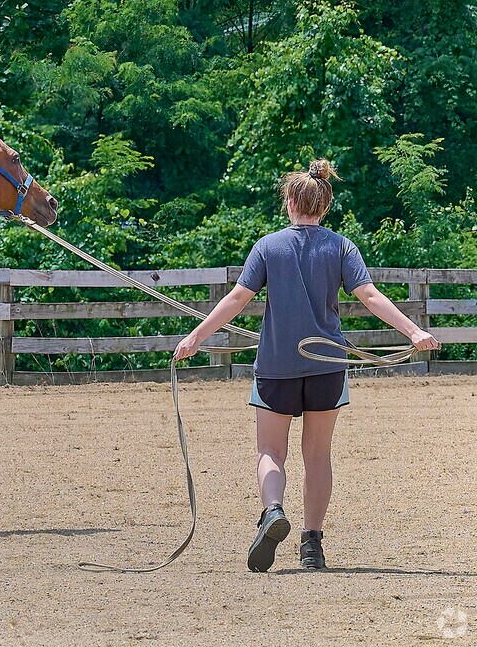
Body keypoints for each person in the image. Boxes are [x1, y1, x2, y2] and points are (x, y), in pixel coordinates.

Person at [172, 159, 440, 572]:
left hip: (277, 366)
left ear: (291, 201)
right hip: (327, 366)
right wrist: (414, 332)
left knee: (269, 450)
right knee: (317, 456)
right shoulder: (341, 246)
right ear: (323, 204)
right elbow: (369, 296)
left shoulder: (268, 246)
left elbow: (236, 300)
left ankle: (274, 510)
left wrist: (196, 336)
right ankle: (312, 544)